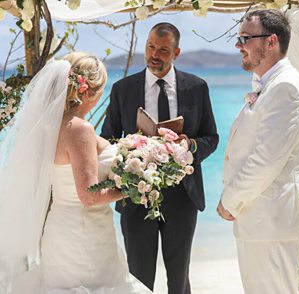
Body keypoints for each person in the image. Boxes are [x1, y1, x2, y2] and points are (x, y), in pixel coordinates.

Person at [0, 52, 151, 294]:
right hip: (84, 238)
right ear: (90, 91)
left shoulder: (51, 125)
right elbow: (89, 195)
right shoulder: (79, 129)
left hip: (61, 230)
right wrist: (135, 187)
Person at [101, 22, 219, 294]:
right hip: (135, 196)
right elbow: (107, 140)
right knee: (139, 279)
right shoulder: (123, 89)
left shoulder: (196, 87)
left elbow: (211, 138)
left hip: (183, 197)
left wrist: (189, 145)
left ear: (176, 53)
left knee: (179, 281)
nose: (154, 54)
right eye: (151, 46)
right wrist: (129, 152)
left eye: (163, 50)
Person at [216, 9, 299, 294]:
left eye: (245, 38)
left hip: (271, 222)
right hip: (262, 221)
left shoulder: (286, 87)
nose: (238, 45)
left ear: (271, 41)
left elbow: (265, 160)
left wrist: (230, 200)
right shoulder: (271, 85)